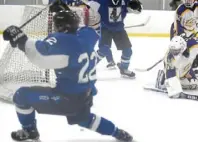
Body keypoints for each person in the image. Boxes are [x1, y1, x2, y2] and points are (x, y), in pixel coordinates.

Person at [3, 10, 133, 142]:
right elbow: (85, 29)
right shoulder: (87, 35)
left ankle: (29, 131)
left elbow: (40, 57)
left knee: (21, 96)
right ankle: (118, 132)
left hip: (65, 98)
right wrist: (67, 13)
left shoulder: (63, 41)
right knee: (85, 120)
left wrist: (22, 40)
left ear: (60, 27)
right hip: (86, 95)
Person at [74, 0, 143, 78]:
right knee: (103, 50)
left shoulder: (125, 0)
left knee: (128, 51)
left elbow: (138, 11)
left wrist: (137, 6)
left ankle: (123, 68)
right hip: (106, 29)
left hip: (119, 29)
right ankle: (88, 68)